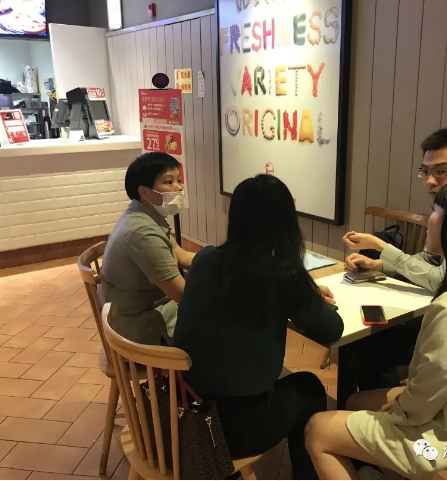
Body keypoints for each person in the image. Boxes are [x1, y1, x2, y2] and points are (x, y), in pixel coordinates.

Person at [305, 178, 447, 480]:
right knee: (355, 401)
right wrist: (404, 402)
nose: (428, 220)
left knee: (317, 429)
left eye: (435, 212)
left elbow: (423, 401)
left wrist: (400, 407)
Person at [174, 174, 343, 480]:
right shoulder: (284, 275)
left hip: (186, 412)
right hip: (236, 431)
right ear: (287, 223)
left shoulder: (206, 259)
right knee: (310, 387)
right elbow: (331, 330)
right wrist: (311, 295)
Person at [342, 127, 447, 394]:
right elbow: (429, 260)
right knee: (367, 326)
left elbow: (442, 279)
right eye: (425, 171)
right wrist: (380, 265)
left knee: (371, 339)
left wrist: (381, 247)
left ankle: (380, 407)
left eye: (441, 171)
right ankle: (369, 403)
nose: (430, 181)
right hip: (435, 309)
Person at [97, 152, 195, 346]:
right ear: (144, 192)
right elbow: (184, 295)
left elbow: (182, 257)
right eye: (169, 182)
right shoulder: (143, 233)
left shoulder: (142, 215)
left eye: (179, 180)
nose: (179, 187)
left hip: (140, 316)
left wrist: (225, 261)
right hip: (142, 334)